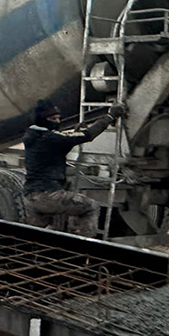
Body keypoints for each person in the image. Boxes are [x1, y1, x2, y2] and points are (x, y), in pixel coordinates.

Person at [23, 98, 126, 237]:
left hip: (31, 196)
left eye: (59, 118)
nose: (58, 122)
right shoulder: (52, 138)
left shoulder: (32, 136)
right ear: (43, 120)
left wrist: (74, 134)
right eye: (54, 118)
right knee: (91, 207)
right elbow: (87, 135)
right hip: (49, 195)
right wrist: (110, 116)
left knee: (35, 234)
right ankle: (84, 244)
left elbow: (56, 148)